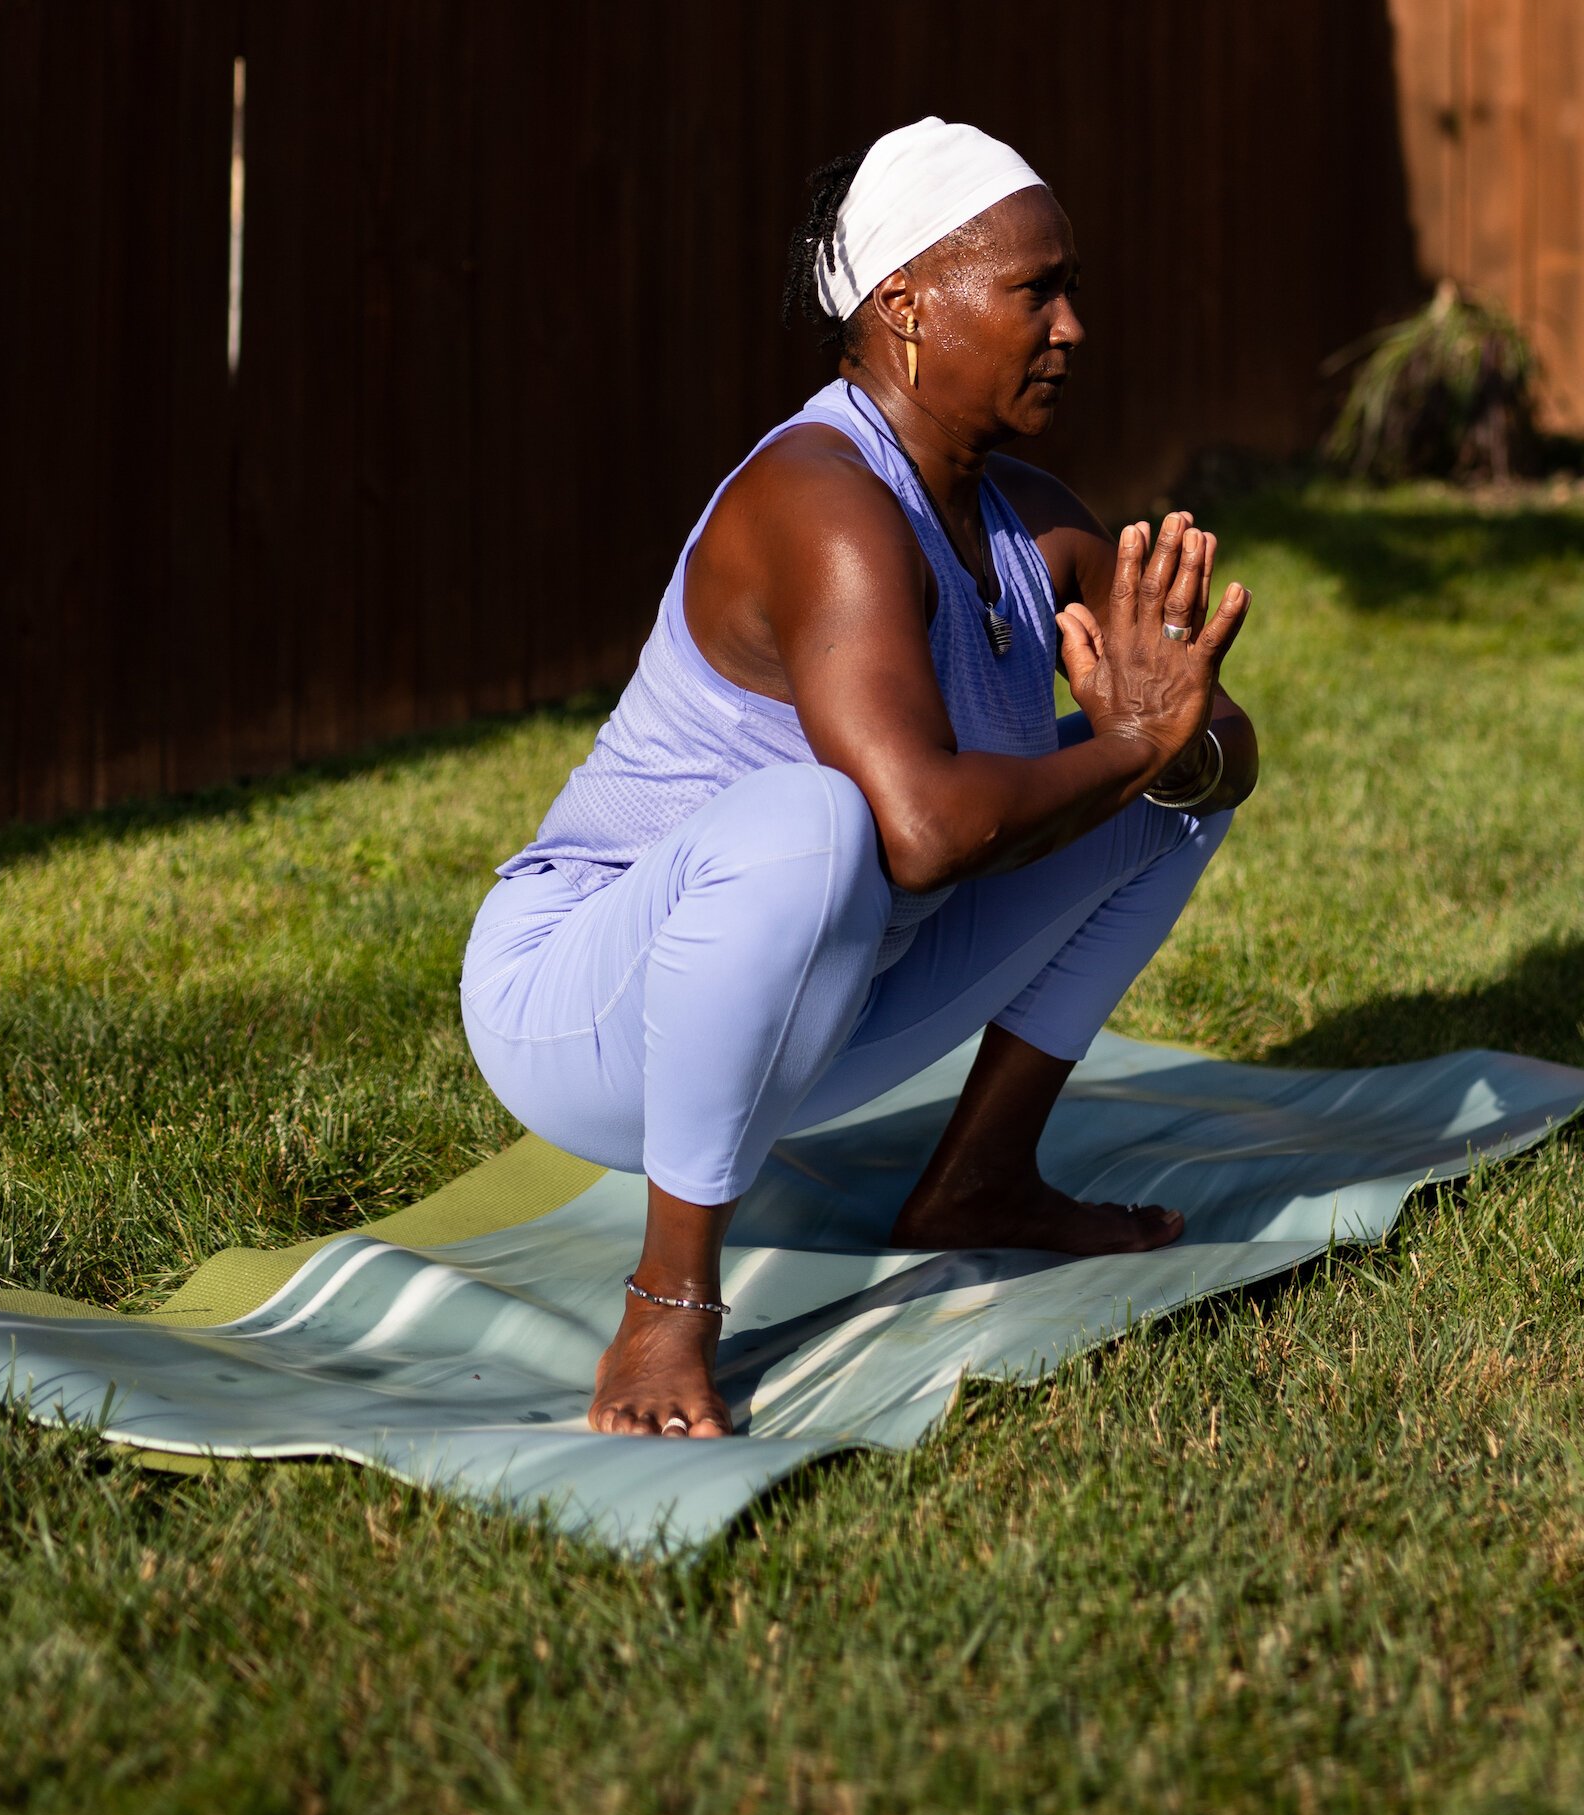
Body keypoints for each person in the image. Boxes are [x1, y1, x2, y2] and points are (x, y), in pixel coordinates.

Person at [461, 117, 1256, 1441]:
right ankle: (665, 1304)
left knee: (1162, 808)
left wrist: (1178, 736)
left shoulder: (1031, 515)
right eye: (1034, 290)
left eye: (1069, 287)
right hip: (589, 1014)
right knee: (825, 819)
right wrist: (1130, 743)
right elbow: (924, 829)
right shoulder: (819, 500)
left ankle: (979, 1183)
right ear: (905, 307)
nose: (1073, 326)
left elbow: (1215, 755)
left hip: (831, 1003)